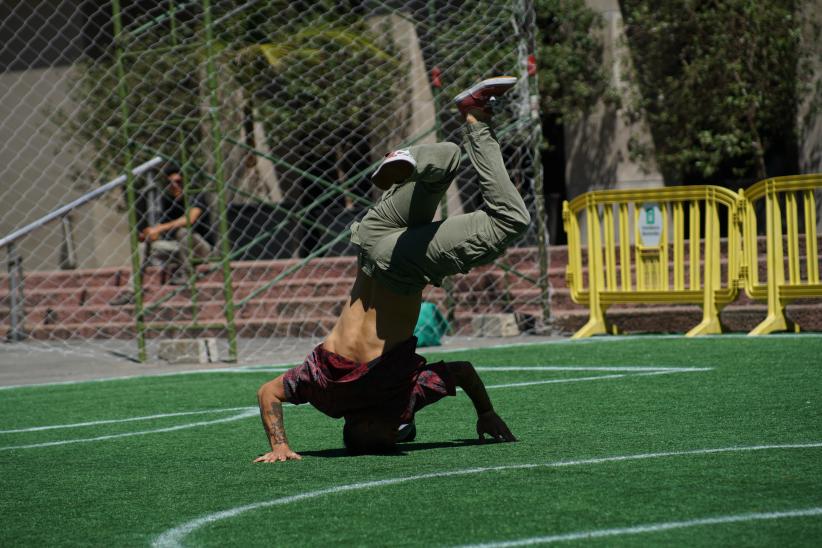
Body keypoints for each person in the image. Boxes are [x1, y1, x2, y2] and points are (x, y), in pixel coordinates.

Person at [254, 76, 530, 462]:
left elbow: (462, 371)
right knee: (446, 159)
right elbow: (269, 391)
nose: (403, 430)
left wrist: (281, 447)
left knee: (510, 220)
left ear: (365, 429)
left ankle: (475, 124)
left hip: (400, 268)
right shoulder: (322, 393)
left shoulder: (393, 397)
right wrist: (279, 442)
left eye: (395, 435)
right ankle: (428, 145)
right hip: (370, 240)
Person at [110, 163, 213, 304]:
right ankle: (131, 291)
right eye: (170, 183)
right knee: (143, 246)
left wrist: (159, 228)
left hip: (200, 249)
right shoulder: (168, 201)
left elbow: (189, 219)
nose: (175, 186)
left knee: (183, 232)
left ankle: (187, 275)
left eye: (178, 182)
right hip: (178, 250)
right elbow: (162, 228)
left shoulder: (195, 195)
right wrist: (150, 235)